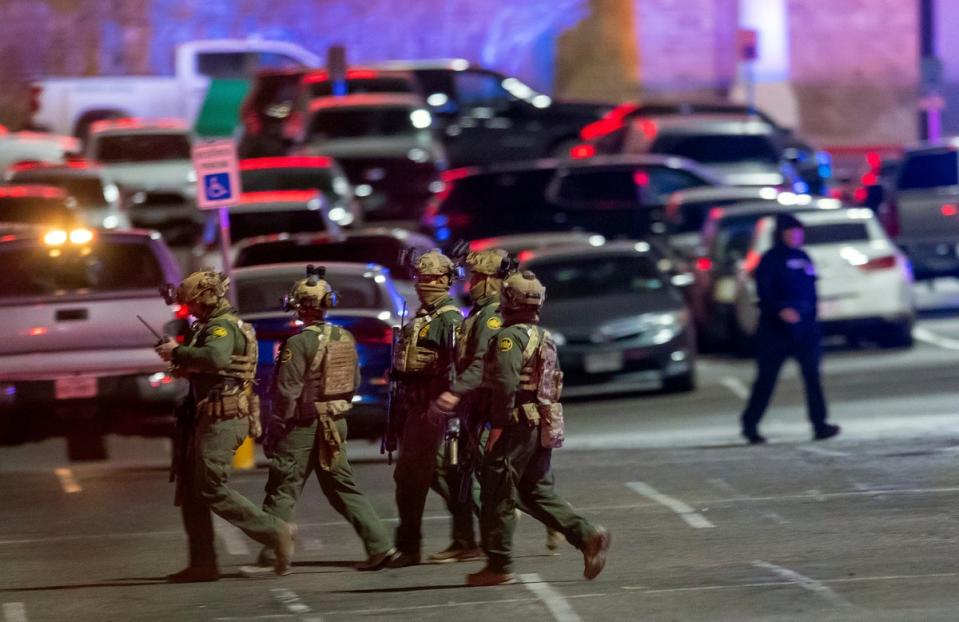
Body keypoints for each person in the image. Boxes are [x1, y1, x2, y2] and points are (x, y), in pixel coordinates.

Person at [238, 267, 395, 576]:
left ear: (299, 304)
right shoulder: (344, 336)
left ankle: (273, 554)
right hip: (335, 422)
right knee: (342, 487)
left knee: (283, 485)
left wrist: (275, 427)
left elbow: (287, 391)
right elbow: (354, 379)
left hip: (304, 425)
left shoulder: (297, 344)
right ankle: (379, 545)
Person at [468, 270, 610, 587]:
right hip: (539, 423)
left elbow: (505, 384)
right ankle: (586, 536)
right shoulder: (544, 337)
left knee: (497, 495)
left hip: (516, 425)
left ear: (509, 300)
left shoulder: (510, 338)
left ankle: (498, 565)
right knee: (535, 491)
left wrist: (498, 425)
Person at [155, 270, 295, 582]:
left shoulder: (221, 327)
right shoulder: (208, 325)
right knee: (192, 491)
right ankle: (203, 564)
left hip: (223, 417)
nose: (190, 309)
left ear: (205, 298)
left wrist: (176, 351)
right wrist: (182, 363)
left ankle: (275, 532)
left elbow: (216, 359)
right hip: (206, 415)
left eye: (192, 303)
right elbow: (208, 368)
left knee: (209, 487)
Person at [388, 250, 464, 568]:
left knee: (420, 478)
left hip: (435, 411)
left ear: (446, 281)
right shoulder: (423, 317)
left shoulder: (449, 319)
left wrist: (452, 407)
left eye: (432, 279)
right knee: (424, 477)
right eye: (420, 278)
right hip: (415, 408)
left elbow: (459, 367)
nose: (424, 285)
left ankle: (414, 546)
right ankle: (470, 532)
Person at [740, 213, 841, 445]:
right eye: (790, 233)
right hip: (776, 332)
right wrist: (779, 311)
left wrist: (812, 318)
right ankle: (750, 425)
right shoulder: (770, 260)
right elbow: (763, 293)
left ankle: (820, 424)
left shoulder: (804, 257)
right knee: (766, 379)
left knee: (813, 378)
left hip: (805, 330)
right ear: (780, 235)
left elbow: (812, 289)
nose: (795, 237)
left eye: (798, 233)